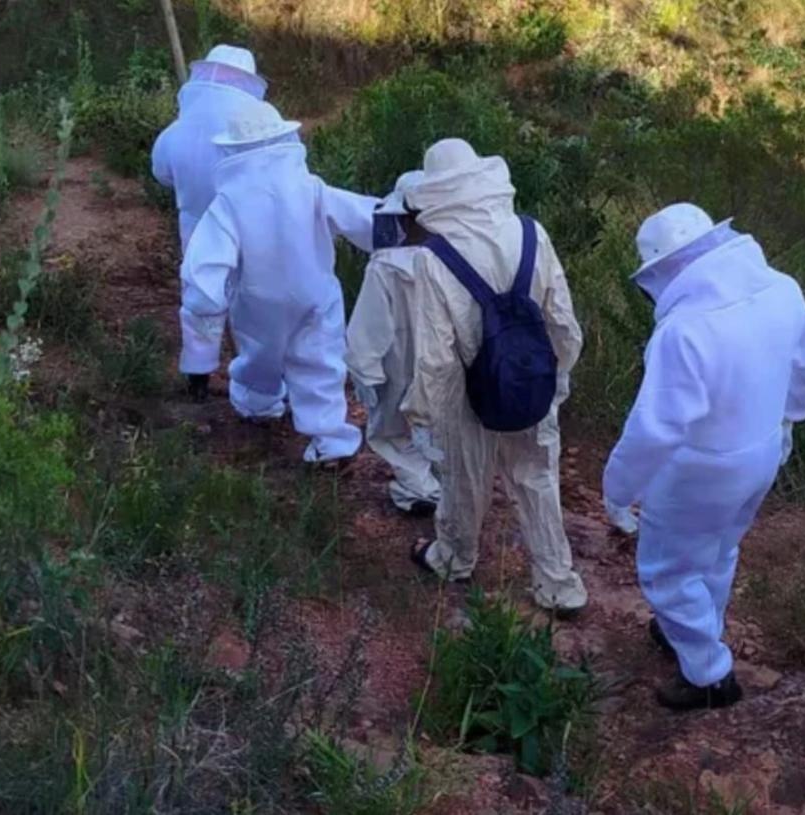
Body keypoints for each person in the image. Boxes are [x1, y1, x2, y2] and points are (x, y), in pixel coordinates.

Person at [602, 203, 805, 711]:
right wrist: (787, 415)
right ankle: (691, 629)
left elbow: (655, 429)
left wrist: (618, 489)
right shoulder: (781, 289)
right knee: (719, 549)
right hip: (763, 453)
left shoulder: (685, 328)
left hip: (700, 470)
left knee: (666, 571)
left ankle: (709, 675)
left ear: (665, 270)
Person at [401, 138, 587, 617]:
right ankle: (558, 585)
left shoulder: (433, 256)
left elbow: (437, 358)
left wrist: (424, 414)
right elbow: (561, 318)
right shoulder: (530, 232)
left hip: (470, 392)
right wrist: (556, 376)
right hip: (531, 378)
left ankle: (454, 559)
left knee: (464, 479)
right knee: (538, 478)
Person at [179, 100, 380, 465]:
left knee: (260, 358)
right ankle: (330, 441)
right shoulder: (310, 187)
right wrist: (404, 224)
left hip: (259, 301)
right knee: (321, 360)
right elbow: (362, 217)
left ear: (232, 148)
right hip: (316, 292)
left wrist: (200, 350)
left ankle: (258, 403)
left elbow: (204, 269)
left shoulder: (228, 201)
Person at [345, 170, 443, 516]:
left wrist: (365, 373)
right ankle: (445, 484)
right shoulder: (463, 260)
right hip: (448, 366)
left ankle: (416, 487)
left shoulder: (386, 267)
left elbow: (366, 331)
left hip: (399, 365)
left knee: (394, 431)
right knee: (442, 427)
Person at [152, 45, 267, 253]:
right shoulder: (264, 132)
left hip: (195, 231)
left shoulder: (174, 132)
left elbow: (162, 174)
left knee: (200, 282)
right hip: (249, 232)